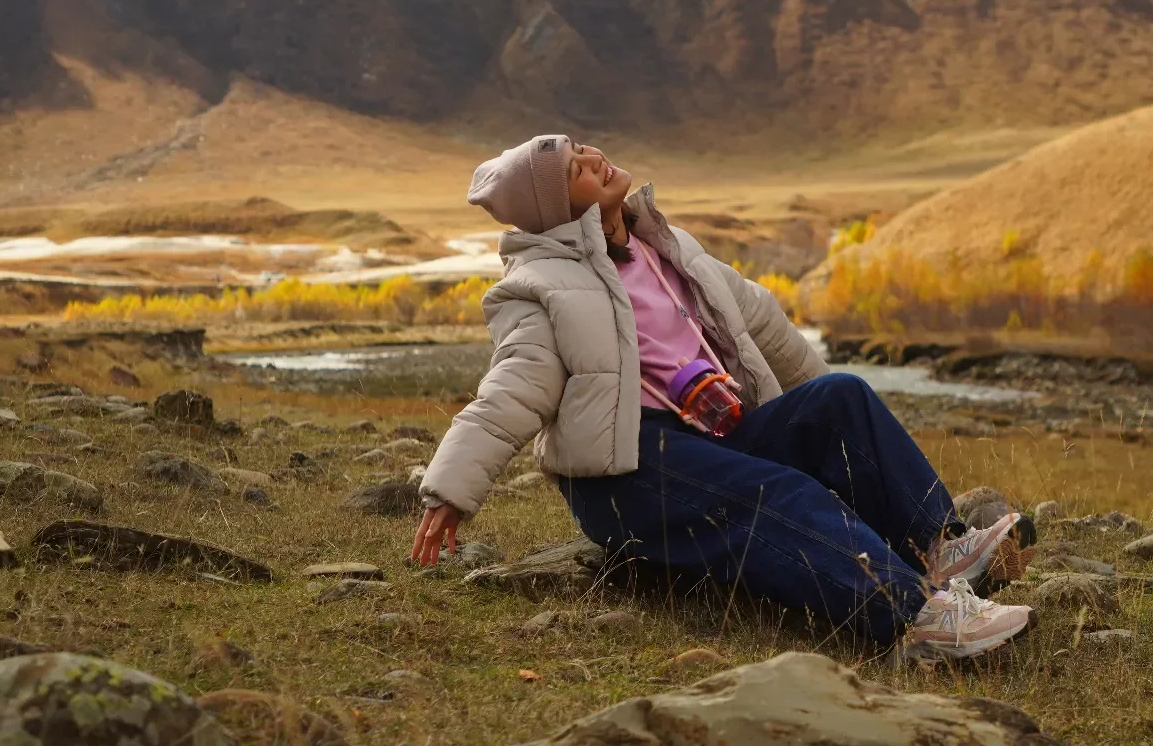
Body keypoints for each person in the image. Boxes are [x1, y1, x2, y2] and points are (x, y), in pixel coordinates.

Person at [411, 135, 1033, 658]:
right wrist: (453, 489)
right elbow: (512, 385)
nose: (594, 156)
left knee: (840, 395)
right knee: (781, 496)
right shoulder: (539, 286)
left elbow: (763, 324)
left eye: (582, 147)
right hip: (629, 470)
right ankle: (917, 618)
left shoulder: (666, 247)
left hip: (714, 431)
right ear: (556, 209)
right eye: (576, 168)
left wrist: (816, 417)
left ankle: (939, 547)